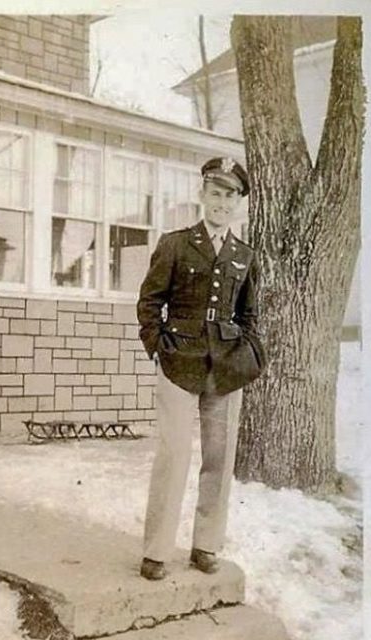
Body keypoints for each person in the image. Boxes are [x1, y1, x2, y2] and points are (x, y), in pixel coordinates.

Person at [136, 156, 266, 580]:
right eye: (215, 193)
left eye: (230, 196)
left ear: (239, 203)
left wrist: (247, 352)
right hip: (179, 362)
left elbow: (250, 314)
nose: (221, 203)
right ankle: (157, 551)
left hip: (226, 369)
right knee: (173, 454)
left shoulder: (244, 255)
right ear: (202, 194)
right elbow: (150, 301)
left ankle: (206, 546)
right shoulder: (175, 244)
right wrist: (157, 344)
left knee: (219, 458)